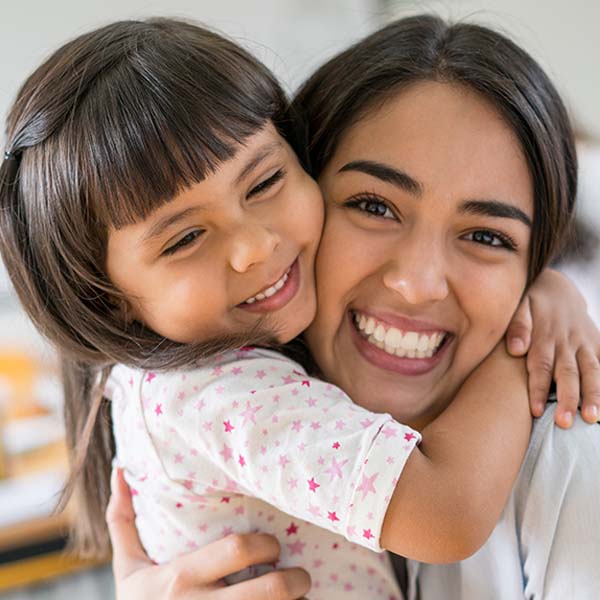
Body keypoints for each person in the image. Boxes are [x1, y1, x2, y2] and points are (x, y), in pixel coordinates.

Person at [0, 15, 598, 600]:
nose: (257, 247)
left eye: (263, 186)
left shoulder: (567, 461)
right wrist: (518, 350)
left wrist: (543, 291)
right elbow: (448, 512)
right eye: (373, 205)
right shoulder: (223, 394)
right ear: (107, 301)